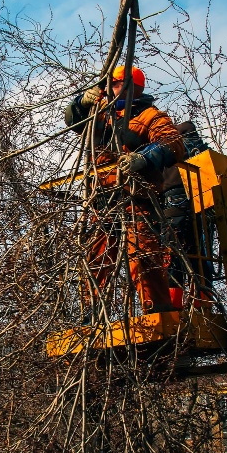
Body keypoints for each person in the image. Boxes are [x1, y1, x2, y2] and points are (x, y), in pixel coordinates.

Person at [65, 65, 186, 318]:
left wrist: (144, 157)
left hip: (137, 199)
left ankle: (157, 314)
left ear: (130, 86)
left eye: (114, 83)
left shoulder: (150, 116)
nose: (108, 88)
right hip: (104, 200)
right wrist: (80, 102)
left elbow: (172, 143)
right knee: (96, 258)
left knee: (144, 256)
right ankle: (92, 315)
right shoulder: (101, 113)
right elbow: (75, 121)